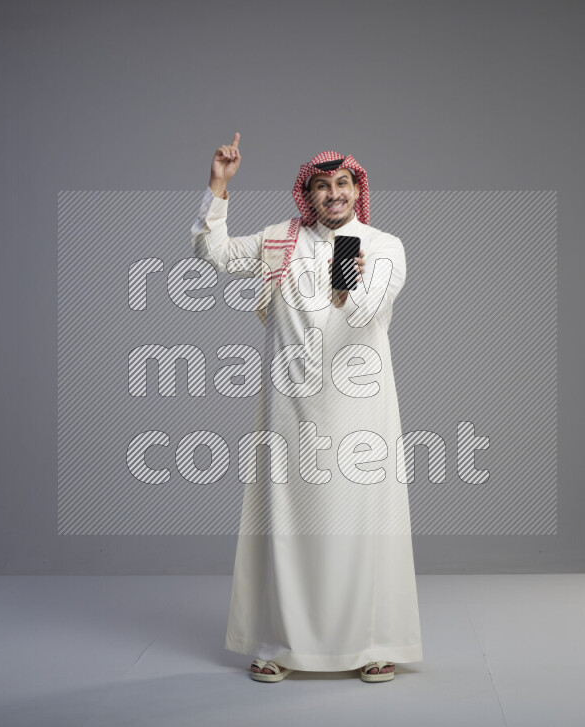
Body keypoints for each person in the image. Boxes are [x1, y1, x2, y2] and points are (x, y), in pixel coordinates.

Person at [190, 133, 423, 683]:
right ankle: (278, 642)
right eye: (322, 186)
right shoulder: (278, 241)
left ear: (356, 191)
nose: (333, 195)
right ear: (309, 195)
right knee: (286, 522)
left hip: (361, 409)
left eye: (342, 184)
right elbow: (213, 253)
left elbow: (374, 304)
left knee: (363, 523)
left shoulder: (383, 244)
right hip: (291, 407)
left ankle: (372, 643)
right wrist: (219, 186)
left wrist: (353, 289)